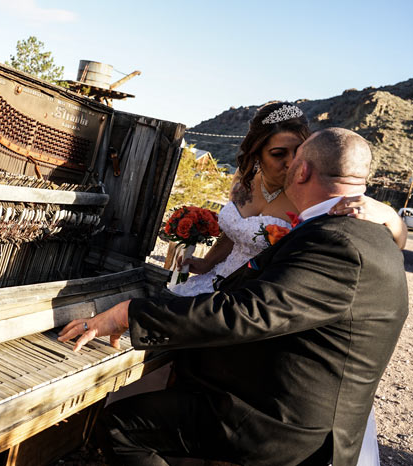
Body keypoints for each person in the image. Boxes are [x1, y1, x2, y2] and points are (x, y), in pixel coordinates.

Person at [58, 128, 408, 465]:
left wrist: (127, 314)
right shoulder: (368, 232)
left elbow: (248, 312)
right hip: (284, 396)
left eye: (294, 158)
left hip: (283, 424)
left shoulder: (337, 241)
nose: (287, 165)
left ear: (302, 171)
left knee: (121, 425)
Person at [170, 102, 406, 298]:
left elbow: (390, 243)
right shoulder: (244, 178)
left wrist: (391, 218)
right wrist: (207, 263)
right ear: (256, 153)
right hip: (218, 280)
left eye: (298, 152)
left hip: (257, 297)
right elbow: (235, 234)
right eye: (278, 153)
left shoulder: (310, 196)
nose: (291, 162)